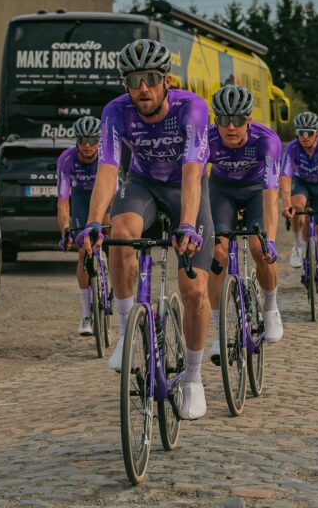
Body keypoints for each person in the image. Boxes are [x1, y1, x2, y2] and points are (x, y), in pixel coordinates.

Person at [76, 39, 214, 420]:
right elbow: (108, 168)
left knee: (194, 288)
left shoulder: (192, 108)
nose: (143, 88)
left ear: (166, 80)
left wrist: (187, 225)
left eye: (151, 79)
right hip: (143, 185)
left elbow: (192, 172)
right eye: (134, 80)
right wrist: (93, 221)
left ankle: (194, 378)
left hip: (186, 189)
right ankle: (127, 332)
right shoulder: (115, 112)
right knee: (119, 234)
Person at [205, 85, 283, 365]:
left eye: (238, 120)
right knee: (218, 253)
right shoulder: (207, 139)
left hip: (256, 190)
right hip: (222, 189)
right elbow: (193, 181)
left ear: (249, 120)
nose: (231, 127)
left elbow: (271, 195)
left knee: (258, 248)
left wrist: (269, 240)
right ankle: (219, 332)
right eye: (224, 120)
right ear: (216, 121)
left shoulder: (267, 141)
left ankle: (270, 306)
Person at [280, 111, 318, 303]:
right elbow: (285, 177)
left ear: (317, 133)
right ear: (296, 133)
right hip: (301, 182)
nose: (305, 136)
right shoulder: (292, 148)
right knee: (297, 206)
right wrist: (286, 203)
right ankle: (298, 246)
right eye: (301, 132)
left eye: (309, 132)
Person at [57, 116, 106, 336]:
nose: (87, 145)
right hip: (81, 199)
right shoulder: (66, 159)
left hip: (105, 197)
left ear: (99, 141)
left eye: (92, 140)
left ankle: (112, 281)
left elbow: (114, 193)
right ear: (76, 141)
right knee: (82, 251)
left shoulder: (106, 155)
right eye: (82, 140)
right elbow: (63, 200)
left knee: (114, 241)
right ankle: (86, 314)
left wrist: (109, 224)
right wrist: (65, 231)